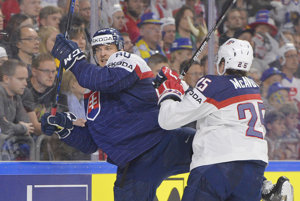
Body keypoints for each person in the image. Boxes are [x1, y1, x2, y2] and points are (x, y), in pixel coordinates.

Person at [41, 28, 195, 200]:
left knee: (216, 153)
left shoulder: (129, 61)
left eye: (108, 48)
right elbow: (93, 142)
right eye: (98, 49)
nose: (103, 54)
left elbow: (108, 81)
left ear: (120, 49)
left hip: (164, 144)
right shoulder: (92, 93)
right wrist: (64, 127)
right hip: (133, 164)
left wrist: (75, 61)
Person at [155, 38, 289, 201]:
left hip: (216, 166)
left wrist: (168, 92)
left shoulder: (212, 84)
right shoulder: (253, 87)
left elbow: (168, 120)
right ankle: (266, 187)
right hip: (254, 169)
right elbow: (211, 102)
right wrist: (182, 87)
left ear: (223, 62)